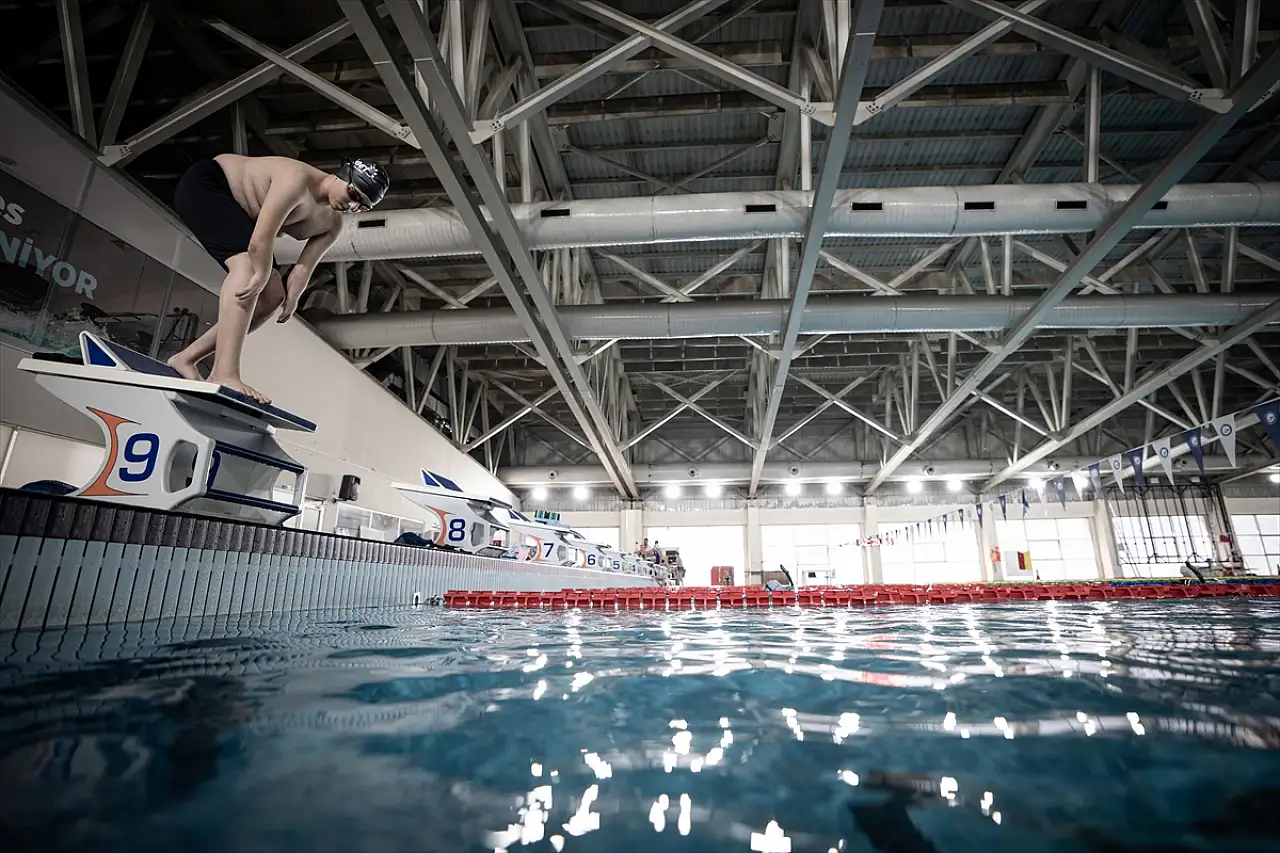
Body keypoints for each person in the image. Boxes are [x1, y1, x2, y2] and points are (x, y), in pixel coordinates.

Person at [168, 154, 391, 404]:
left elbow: (303, 269)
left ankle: (186, 358)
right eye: (353, 194)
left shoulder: (332, 225)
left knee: (272, 296)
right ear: (342, 174)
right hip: (209, 185)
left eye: (361, 206)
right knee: (249, 271)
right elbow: (259, 241)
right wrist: (261, 274)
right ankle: (224, 373)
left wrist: (291, 298)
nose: (352, 207)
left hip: (239, 215)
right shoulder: (296, 180)